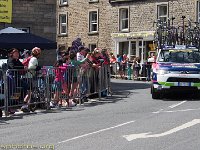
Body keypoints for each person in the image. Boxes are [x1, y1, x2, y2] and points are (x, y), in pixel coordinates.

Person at [7, 48, 29, 113]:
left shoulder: (18, 60)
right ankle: (9, 107)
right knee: (11, 92)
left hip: (17, 78)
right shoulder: (10, 60)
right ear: (12, 54)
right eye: (15, 53)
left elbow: (22, 66)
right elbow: (12, 67)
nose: (17, 55)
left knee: (26, 86)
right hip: (11, 78)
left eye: (18, 53)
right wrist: (22, 68)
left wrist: (24, 68)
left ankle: (21, 100)